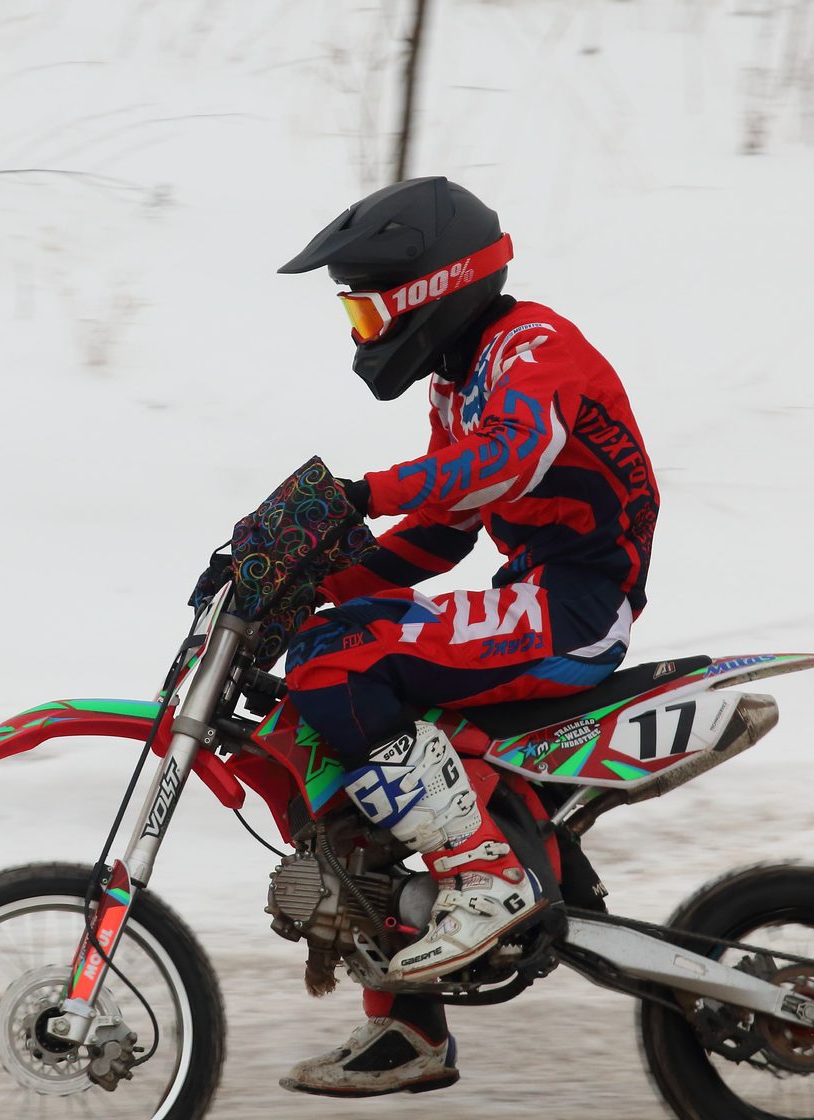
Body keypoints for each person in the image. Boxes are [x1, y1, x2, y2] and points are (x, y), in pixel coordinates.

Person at [274, 176, 659, 1096]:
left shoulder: (533, 348)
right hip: (530, 590)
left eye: (367, 314)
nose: (363, 336)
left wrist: (362, 492)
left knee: (341, 667)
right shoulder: (459, 380)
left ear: (425, 290)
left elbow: (510, 454)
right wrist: (304, 584)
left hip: (576, 604)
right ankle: (407, 1031)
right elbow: (445, 529)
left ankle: (487, 874)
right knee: (326, 651)